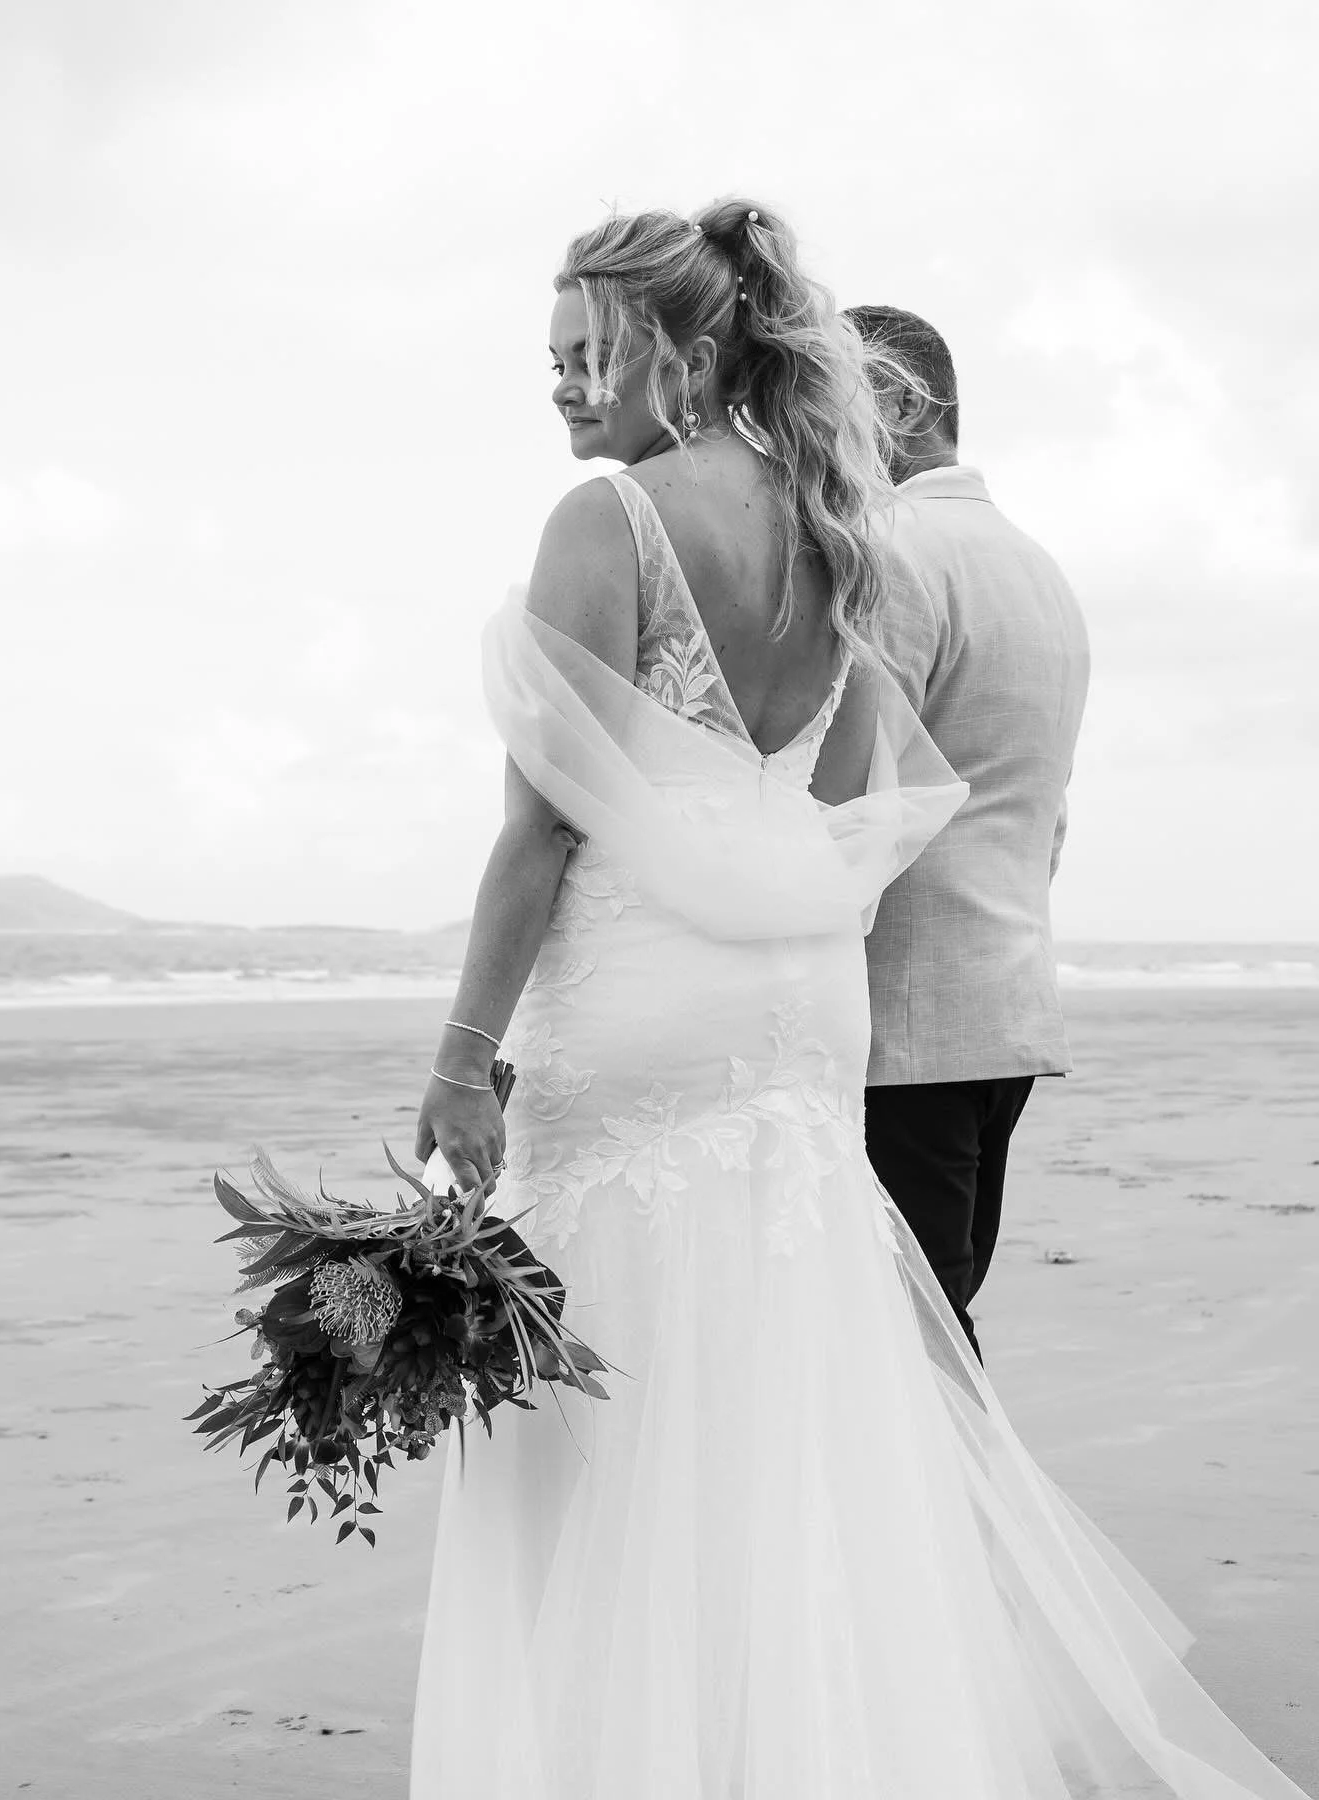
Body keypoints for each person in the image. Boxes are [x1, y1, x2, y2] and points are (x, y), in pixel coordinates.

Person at [406, 201, 1304, 1799]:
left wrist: (467, 1054)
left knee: (612, 1424)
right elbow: (832, 800)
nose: (559, 388)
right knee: (788, 1407)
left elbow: (543, 824)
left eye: (586, 354)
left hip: (637, 1014)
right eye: (547, 360)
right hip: (797, 1020)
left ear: (682, 350)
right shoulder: (838, 525)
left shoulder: (607, 522)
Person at [844, 304, 1091, 1363]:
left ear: (896, 400)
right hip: (1003, 999)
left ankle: (958, 1531)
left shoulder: (896, 551)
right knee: (938, 1312)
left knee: (918, 1339)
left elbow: (857, 796)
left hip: (904, 1014)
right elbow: (1048, 816)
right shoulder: (1041, 569)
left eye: (822, 396)